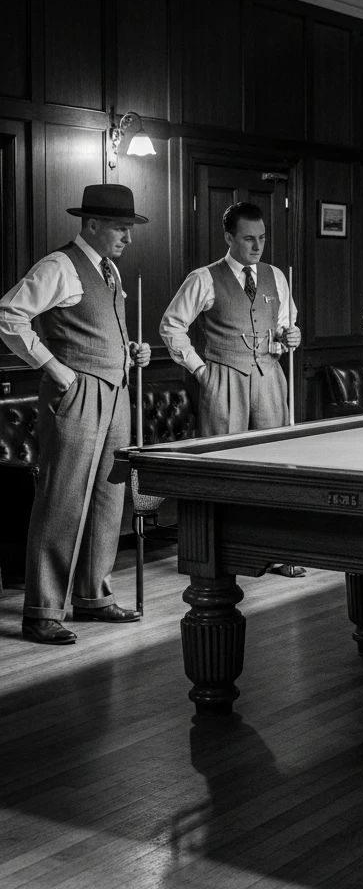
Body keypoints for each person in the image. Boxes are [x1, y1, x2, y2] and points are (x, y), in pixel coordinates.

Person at [0, 184, 151, 644]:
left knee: (109, 496)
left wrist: (132, 351)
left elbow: (100, 329)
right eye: (120, 228)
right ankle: (42, 609)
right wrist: (56, 370)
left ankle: (93, 596)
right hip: (76, 394)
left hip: (117, 391)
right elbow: (8, 315)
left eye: (129, 228)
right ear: (92, 224)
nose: (127, 237)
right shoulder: (60, 266)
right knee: (62, 498)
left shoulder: (110, 271)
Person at [159, 201, 304, 577]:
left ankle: (276, 550)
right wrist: (201, 371)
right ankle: (220, 552)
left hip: (269, 376)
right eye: (248, 239)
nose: (257, 246)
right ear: (228, 238)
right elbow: (171, 326)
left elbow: (285, 325)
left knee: (275, 465)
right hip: (223, 379)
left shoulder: (276, 276)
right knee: (223, 466)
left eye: (263, 238)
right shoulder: (204, 278)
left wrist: (291, 337)